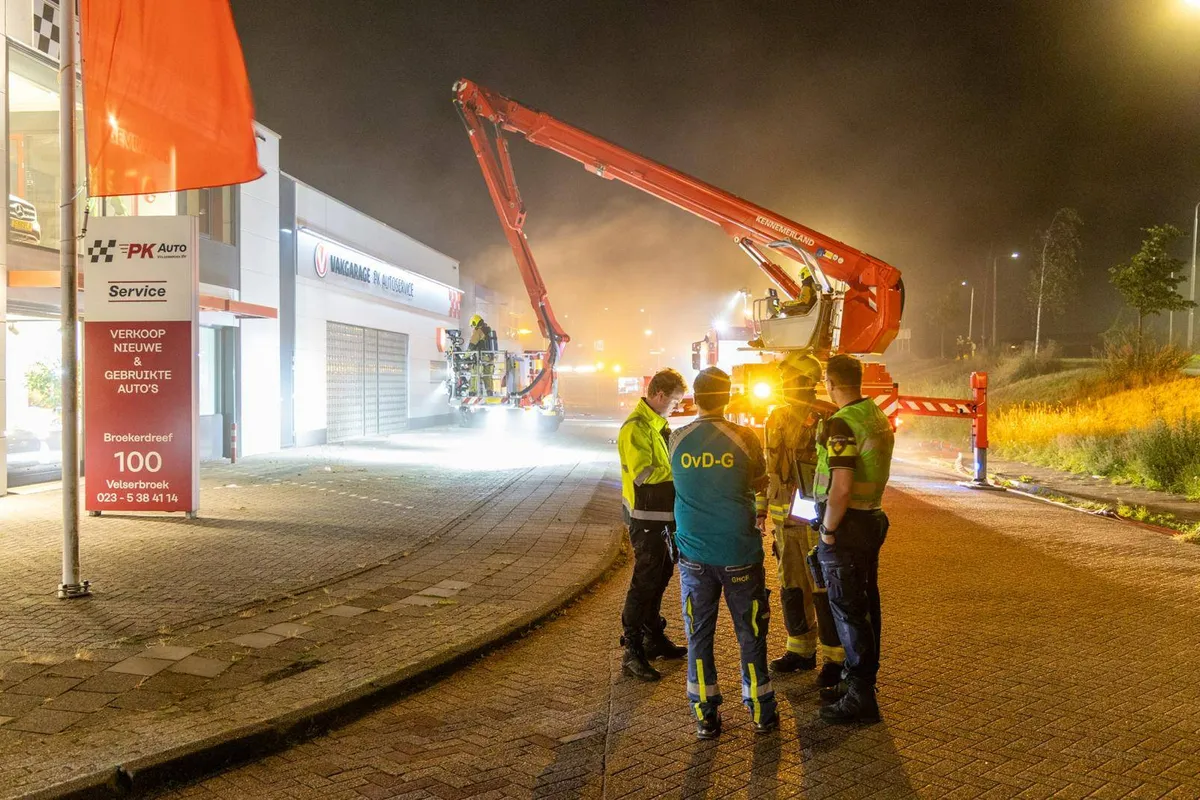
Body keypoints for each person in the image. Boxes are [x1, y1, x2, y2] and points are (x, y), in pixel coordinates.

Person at [670, 367, 776, 739]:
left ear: (695, 400)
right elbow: (760, 483)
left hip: (694, 558)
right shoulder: (746, 438)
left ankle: (705, 715)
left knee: (698, 635)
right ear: (728, 398)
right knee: (750, 633)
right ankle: (761, 711)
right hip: (740, 552)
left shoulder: (676, 439)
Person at [812, 354, 895, 724]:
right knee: (865, 604)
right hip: (871, 517)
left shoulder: (842, 423)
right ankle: (858, 681)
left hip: (847, 526)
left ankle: (860, 695)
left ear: (830, 383)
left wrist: (828, 530)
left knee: (847, 609)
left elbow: (841, 487)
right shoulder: (875, 415)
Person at [759, 352, 846, 685]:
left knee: (822, 588)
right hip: (785, 523)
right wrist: (762, 509)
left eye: (787, 380)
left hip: (814, 520)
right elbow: (769, 469)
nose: (782, 386)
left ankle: (835, 659)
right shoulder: (775, 418)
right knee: (791, 587)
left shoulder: (828, 417)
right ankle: (800, 650)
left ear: (805, 382)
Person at [617, 368, 690, 682]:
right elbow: (644, 474)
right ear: (659, 395)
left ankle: (653, 638)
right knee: (643, 583)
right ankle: (632, 652)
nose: (676, 407)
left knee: (659, 578)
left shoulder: (657, 426)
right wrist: (682, 473)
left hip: (660, 519)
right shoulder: (636, 428)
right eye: (674, 401)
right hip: (645, 521)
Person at [467, 314, 497, 395]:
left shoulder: (478, 332)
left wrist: (465, 356)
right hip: (490, 358)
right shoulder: (488, 331)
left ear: (475, 322)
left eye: (473, 325)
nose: (473, 327)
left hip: (481, 358)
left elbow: (471, 345)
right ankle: (489, 392)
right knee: (488, 376)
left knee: (475, 374)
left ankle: (472, 392)